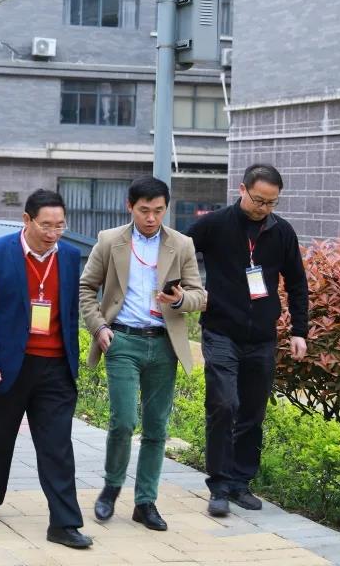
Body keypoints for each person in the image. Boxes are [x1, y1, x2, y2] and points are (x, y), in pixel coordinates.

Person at [79, 176, 206, 531]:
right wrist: (99, 327)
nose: (151, 218)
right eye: (144, 210)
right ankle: (111, 487)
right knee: (122, 420)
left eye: (159, 211)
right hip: (122, 340)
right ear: (130, 207)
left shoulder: (181, 244)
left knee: (156, 427)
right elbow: (87, 287)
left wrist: (179, 300)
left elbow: (199, 295)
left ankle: (145, 501)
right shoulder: (109, 241)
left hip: (164, 343)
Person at [0, 189, 92, 550]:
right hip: (9, 366)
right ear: (27, 220)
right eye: (46, 225)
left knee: (57, 446)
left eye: (60, 225)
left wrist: (72, 362)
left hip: (55, 367)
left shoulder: (69, 256)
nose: (53, 233)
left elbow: (69, 313)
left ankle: (64, 523)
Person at [185, 163, 309, 517]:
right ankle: (219, 485)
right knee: (224, 404)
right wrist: (184, 292)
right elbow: (178, 253)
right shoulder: (214, 224)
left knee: (253, 412)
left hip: (262, 338)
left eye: (271, 202)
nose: (263, 208)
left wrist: (299, 331)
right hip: (221, 331)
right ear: (242, 190)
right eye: (258, 200)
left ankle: (241, 483)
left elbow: (297, 283)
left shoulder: (281, 232)